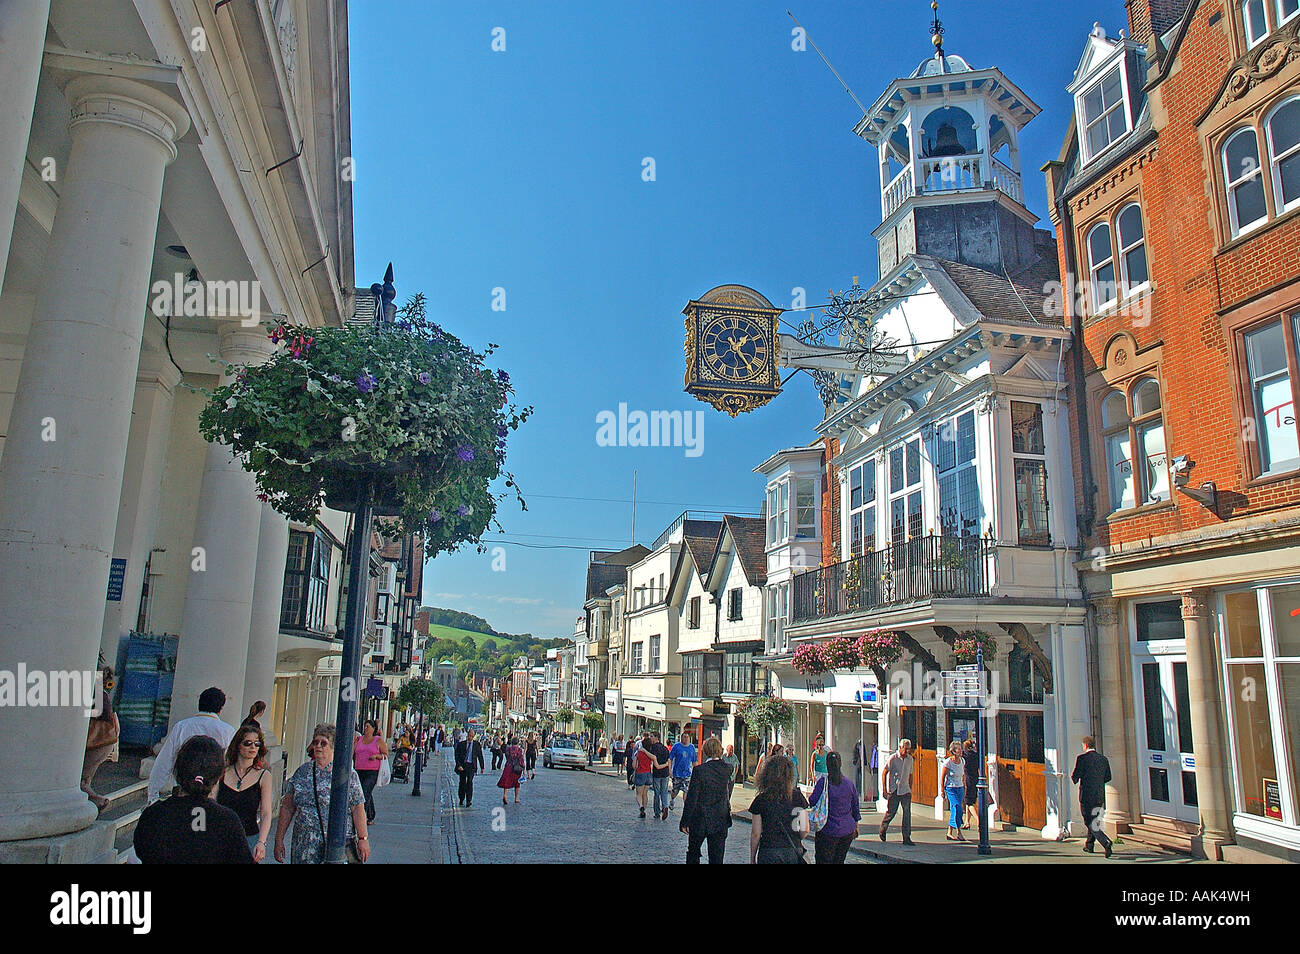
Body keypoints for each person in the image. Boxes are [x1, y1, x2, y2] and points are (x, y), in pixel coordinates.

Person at [134, 735, 253, 864]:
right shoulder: (228, 821)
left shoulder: (153, 815)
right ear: (219, 775)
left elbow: (142, 851)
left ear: (178, 770)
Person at [274, 723, 369, 864]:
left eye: (323, 743)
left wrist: (363, 839)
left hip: (334, 844)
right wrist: (279, 839)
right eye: (315, 742)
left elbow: (357, 808)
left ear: (332, 746)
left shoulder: (346, 773)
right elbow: (288, 807)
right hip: (304, 844)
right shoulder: (302, 772)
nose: (318, 746)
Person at [147, 686, 237, 802]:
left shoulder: (181, 727)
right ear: (220, 709)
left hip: (183, 790)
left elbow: (165, 761)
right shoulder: (228, 731)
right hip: (213, 793)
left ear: (199, 704)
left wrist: (153, 794)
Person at [217, 724, 274, 861]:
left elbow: (266, 813)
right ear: (238, 745)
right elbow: (212, 801)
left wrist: (261, 842)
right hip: (221, 838)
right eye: (248, 743)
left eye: (257, 743)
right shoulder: (222, 772)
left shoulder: (264, 776)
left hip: (249, 838)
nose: (253, 747)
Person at [680, 737, 733, 864]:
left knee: (693, 853)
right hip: (720, 818)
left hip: (700, 818)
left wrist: (685, 821)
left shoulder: (700, 771)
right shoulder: (727, 769)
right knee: (717, 857)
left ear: (705, 751)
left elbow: (692, 798)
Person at [748, 754, 809, 864]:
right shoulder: (797, 797)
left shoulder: (761, 799)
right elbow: (805, 830)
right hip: (792, 851)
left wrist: (752, 858)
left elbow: (756, 833)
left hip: (769, 851)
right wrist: (795, 837)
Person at [82, 659, 119, 814]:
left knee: (82, 779)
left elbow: (98, 712)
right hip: (104, 742)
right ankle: (94, 801)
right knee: (85, 778)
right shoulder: (102, 692)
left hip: (96, 741)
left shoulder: (95, 690)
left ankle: (96, 801)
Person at [811, 751, 860, 864]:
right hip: (846, 830)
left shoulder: (823, 783)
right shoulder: (849, 784)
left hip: (827, 830)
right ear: (840, 764)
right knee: (839, 860)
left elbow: (812, 801)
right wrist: (856, 825)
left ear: (827, 765)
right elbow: (855, 808)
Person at [1072, 735, 1114, 858]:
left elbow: (1076, 775)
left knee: (1089, 820)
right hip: (1099, 794)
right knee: (1094, 819)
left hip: (1086, 795)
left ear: (1085, 745)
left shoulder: (1082, 759)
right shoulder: (1103, 759)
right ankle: (1089, 845)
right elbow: (1108, 777)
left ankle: (1105, 841)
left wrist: (1076, 778)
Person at [878, 738, 915, 845]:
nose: (907, 751)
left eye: (909, 749)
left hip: (905, 789)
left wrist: (910, 788)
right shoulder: (893, 758)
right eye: (905, 749)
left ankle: (906, 837)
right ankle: (883, 829)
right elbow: (884, 772)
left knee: (907, 813)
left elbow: (911, 774)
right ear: (900, 747)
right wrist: (884, 789)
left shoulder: (910, 759)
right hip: (894, 789)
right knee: (891, 812)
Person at [353, 719, 388, 824]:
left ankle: (361, 818)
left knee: (364, 791)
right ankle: (370, 815)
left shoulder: (378, 740)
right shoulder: (359, 739)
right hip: (359, 769)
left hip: (372, 771)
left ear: (373, 729)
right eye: (365, 726)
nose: (365, 728)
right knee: (365, 792)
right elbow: (353, 752)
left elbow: (385, 754)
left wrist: (377, 756)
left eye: (368, 726)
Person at [940, 741, 967, 841]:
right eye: (959, 749)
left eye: (961, 749)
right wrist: (942, 790)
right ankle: (958, 830)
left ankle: (951, 832)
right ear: (954, 751)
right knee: (957, 807)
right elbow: (942, 777)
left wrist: (965, 786)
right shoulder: (948, 762)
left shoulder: (962, 761)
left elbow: (963, 775)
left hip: (960, 787)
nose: (961, 751)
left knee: (955, 810)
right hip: (951, 788)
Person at [645, 732, 673, 821]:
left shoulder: (653, 748)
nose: (650, 738)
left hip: (657, 773)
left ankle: (657, 812)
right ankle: (665, 806)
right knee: (664, 791)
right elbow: (669, 761)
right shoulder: (665, 748)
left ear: (656, 738)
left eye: (652, 737)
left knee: (657, 793)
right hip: (665, 773)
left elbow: (651, 759)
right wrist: (669, 771)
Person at [455, 729, 486, 807]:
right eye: (469, 736)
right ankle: (461, 798)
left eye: (472, 736)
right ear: (467, 735)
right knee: (462, 783)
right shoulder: (461, 744)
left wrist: (482, 767)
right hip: (463, 765)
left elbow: (480, 756)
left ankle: (469, 800)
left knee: (469, 782)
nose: (470, 738)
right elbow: (457, 756)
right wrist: (459, 765)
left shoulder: (477, 744)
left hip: (471, 766)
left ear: (474, 736)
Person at [668, 732, 697, 810]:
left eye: (687, 737)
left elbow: (694, 761)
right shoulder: (676, 746)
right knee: (675, 791)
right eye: (684, 737)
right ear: (681, 738)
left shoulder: (691, 747)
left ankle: (686, 807)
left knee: (686, 790)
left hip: (687, 773)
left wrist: (696, 772)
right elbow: (670, 759)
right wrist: (670, 770)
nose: (686, 739)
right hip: (677, 773)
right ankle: (672, 799)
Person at [632, 732, 654, 817]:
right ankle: (644, 810)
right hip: (648, 774)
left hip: (640, 773)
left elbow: (634, 765)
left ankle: (641, 807)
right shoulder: (650, 754)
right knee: (645, 794)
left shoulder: (639, 753)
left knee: (638, 794)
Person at [498, 736, 525, 804]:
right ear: (518, 742)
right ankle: (516, 798)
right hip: (516, 768)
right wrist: (523, 769)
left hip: (508, 766)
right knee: (517, 783)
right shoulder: (519, 750)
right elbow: (521, 760)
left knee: (507, 782)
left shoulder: (508, 749)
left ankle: (505, 795)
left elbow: (506, 756)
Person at [962, 738, 980, 829]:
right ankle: (967, 822)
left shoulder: (965, 757)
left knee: (969, 802)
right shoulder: (976, 755)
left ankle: (978, 821)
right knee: (969, 800)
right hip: (975, 779)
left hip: (968, 780)